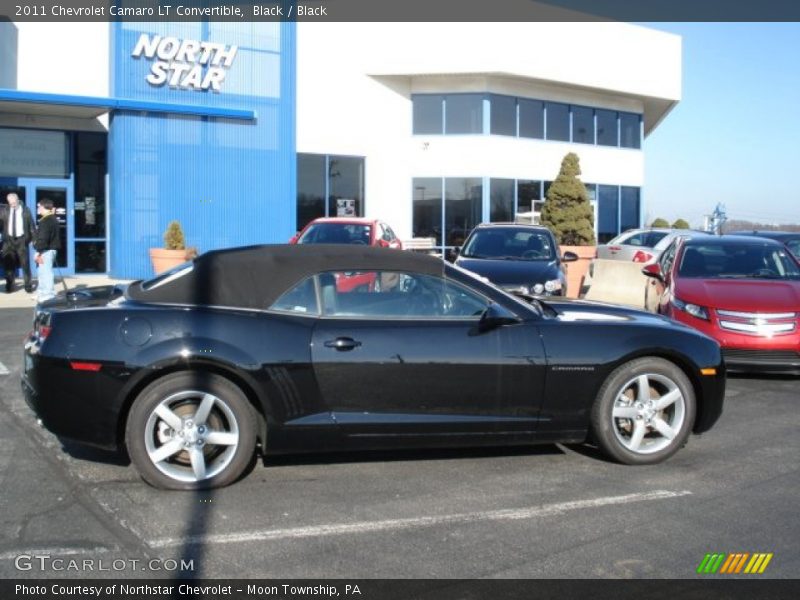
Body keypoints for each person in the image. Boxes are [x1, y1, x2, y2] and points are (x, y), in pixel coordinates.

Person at [3, 192, 36, 293]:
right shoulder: (5, 210)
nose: (13, 205)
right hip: (9, 240)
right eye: (10, 203)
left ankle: (28, 285)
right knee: (9, 265)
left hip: (21, 240)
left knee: (25, 264)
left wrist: (33, 239)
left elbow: (31, 225)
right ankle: (9, 285)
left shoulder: (25, 210)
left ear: (18, 200)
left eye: (14, 202)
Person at [33, 198, 60, 303]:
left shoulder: (46, 220)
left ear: (44, 207)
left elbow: (44, 238)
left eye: (39, 206)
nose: (38, 208)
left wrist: (38, 250)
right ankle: (42, 292)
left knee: (46, 272)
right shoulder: (51, 218)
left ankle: (48, 294)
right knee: (42, 272)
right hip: (48, 249)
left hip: (46, 250)